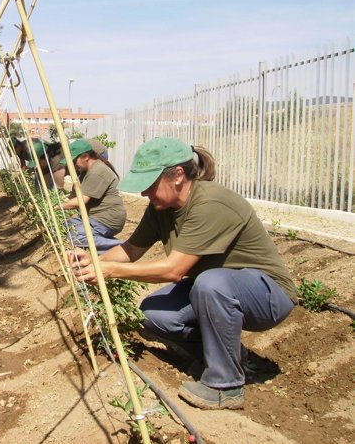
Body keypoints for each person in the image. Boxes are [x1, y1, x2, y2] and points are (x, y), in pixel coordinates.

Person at [69, 137, 298, 410]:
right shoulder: (160, 208)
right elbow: (131, 248)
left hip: (267, 294)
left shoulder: (211, 204)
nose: (145, 193)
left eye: (150, 185)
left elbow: (175, 270)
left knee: (210, 283)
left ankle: (226, 386)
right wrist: (94, 260)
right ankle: (230, 356)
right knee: (154, 315)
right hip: (215, 289)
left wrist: (109, 270)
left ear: (178, 175)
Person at [58, 139, 126, 253]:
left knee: (75, 237)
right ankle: (102, 241)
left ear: (85, 156)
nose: (73, 165)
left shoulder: (97, 171)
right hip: (93, 217)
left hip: (106, 219)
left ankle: (121, 248)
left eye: (74, 161)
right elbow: (72, 197)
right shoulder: (86, 172)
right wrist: (58, 201)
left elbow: (80, 201)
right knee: (63, 229)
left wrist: (54, 206)